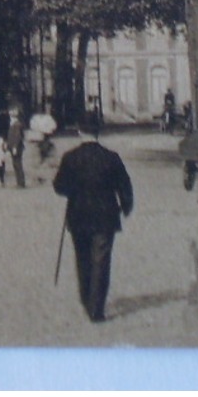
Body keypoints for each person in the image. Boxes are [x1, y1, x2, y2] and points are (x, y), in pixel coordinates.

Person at [52, 114, 134, 323]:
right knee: (101, 261)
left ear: (80, 131)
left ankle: (86, 299)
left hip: (78, 215)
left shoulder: (70, 157)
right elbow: (124, 185)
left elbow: (59, 186)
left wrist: (72, 188)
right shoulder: (111, 157)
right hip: (105, 216)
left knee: (83, 260)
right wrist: (126, 206)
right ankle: (96, 309)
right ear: (98, 132)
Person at [4, 106, 28, 188]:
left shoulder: (16, 125)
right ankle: (19, 182)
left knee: (18, 164)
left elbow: (17, 137)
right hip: (14, 147)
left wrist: (14, 147)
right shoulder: (14, 124)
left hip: (17, 148)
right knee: (16, 164)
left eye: (11, 116)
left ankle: (21, 183)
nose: (10, 117)